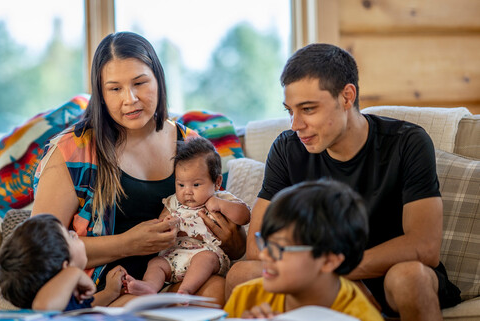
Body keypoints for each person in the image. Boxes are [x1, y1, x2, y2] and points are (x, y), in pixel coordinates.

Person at [225, 43, 461, 320]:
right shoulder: (287, 148)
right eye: (290, 110)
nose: (295, 124)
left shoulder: (407, 142)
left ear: (347, 97)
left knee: (409, 276)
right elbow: (257, 245)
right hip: (316, 271)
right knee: (241, 274)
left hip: (386, 271)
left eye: (308, 109)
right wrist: (328, 277)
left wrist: (340, 271)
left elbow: (425, 247)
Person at [31, 31, 245, 306]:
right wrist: (128, 243)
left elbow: (232, 239)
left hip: (178, 274)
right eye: (115, 88)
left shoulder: (190, 144)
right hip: (108, 287)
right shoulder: (73, 150)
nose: (129, 99)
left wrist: (232, 238)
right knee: (135, 306)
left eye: (140, 83)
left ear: (158, 79)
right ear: (101, 93)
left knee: (216, 289)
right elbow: (40, 250)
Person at [224, 180, 383, 320]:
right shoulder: (246, 297)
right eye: (265, 243)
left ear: (328, 261)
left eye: (279, 247)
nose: (264, 254)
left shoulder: (360, 317)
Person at [125, 137, 250, 296]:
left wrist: (220, 205)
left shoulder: (221, 198)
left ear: (217, 182)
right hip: (174, 256)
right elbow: (161, 222)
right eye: (181, 185)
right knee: (156, 263)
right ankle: (149, 287)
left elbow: (244, 216)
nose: (187, 191)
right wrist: (167, 223)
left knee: (205, 259)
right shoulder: (173, 202)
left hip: (206, 253)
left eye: (196, 185)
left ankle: (186, 289)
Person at [0, 214, 127, 310]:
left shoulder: (65, 299)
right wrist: (73, 272)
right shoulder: (47, 305)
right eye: (70, 236)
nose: (75, 234)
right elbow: (44, 307)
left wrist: (109, 293)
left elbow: (82, 309)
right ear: (65, 266)